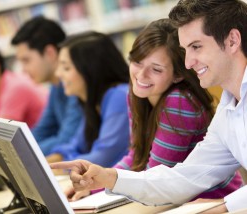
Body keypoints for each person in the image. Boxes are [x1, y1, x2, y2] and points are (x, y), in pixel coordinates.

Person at [50, 0, 247, 213]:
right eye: (185, 50)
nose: (188, 62)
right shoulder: (227, 110)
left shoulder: (182, 103)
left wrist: (224, 206)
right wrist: (108, 177)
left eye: (196, 47)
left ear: (232, 40)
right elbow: (185, 178)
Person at [46, 31, 130, 168]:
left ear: (90, 69)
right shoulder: (92, 101)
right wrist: (49, 162)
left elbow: (102, 158)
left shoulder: (120, 96)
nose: (58, 74)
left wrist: (54, 167)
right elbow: (75, 145)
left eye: (66, 68)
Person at [11, 16, 82, 155]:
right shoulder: (56, 87)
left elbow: (66, 140)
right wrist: (19, 149)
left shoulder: (76, 85)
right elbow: (40, 131)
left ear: (49, 53)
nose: (23, 70)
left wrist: (22, 152)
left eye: (26, 60)